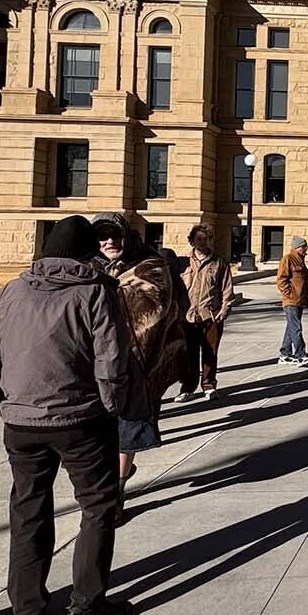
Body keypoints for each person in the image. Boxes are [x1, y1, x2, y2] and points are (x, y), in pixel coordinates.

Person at [0, 215, 147, 615]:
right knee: (99, 508)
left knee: (28, 511)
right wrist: (112, 405)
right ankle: (85, 608)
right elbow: (112, 360)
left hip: (20, 422)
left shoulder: (10, 290)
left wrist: (5, 400)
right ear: (87, 254)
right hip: (81, 419)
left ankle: (27, 614)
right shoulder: (94, 292)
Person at [92, 212, 186, 494]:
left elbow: (156, 308)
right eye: (102, 236)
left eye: (114, 235)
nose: (109, 241)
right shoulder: (87, 266)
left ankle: (117, 491)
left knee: (127, 428)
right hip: (94, 364)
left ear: (126, 235)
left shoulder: (151, 265)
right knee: (97, 431)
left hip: (137, 363)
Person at [174, 223, 235, 402]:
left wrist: (225, 308)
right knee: (189, 353)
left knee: (210, 353)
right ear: (191, 241)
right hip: (187, 316)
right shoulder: (182, 262)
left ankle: (209, 385)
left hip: (211, 314)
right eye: (198, 238)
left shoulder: (219, 262)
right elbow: (175, 288)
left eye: (205, 238)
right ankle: (188, 387)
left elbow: (227, 287)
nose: (202, 242)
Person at [276, 235, 308, 365]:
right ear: (297, 247)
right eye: (304, 247)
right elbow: (281, 279)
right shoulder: (288, 259)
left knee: (291, 327)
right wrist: (289, 293)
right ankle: (300, 355)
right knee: (296, 328)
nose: (306, 250)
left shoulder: (300, 260)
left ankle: (285, 353)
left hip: (300, 300)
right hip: (291, 300)